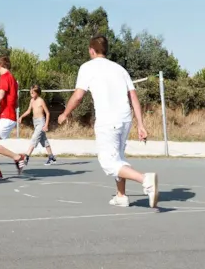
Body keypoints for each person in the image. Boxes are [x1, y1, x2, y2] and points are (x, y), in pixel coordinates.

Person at [58, 35, 158, 208]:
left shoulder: (87, 67)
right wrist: (141, 124)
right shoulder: (120, 69)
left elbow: (78, 95)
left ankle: (145, 180)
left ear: (91, 50)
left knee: (108, 163)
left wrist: (65, 113)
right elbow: (133, 97)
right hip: (125, 119)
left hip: (107, 121)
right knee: (118, 158)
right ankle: (121, 195)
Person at [21, 84, 57, 166]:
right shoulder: (32, 100)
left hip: (41, 122)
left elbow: (47, 113)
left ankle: (26, 156)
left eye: (33, 93)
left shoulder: (41, 101)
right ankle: (51, 157)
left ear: (37, 93)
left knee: (34, 137)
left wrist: (46, 125)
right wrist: (21, 116)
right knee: (44, 140)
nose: (31, 94)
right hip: (35, 122)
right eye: (30, 93)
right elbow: (29, 111)